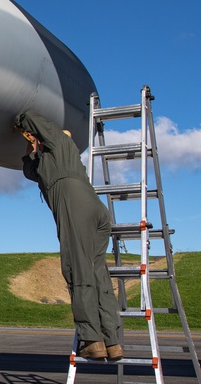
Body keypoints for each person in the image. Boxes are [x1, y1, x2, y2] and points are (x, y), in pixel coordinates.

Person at [16, 110, 123, 361]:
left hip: (75, 206)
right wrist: (32, 146)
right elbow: (29, 171)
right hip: (95, 210)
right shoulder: (51, 160)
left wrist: (20, 119)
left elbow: (34, 117)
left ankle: (92, 339)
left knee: (78, 270)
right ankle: (113, 340)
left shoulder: (61, 142)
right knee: (98, 274)